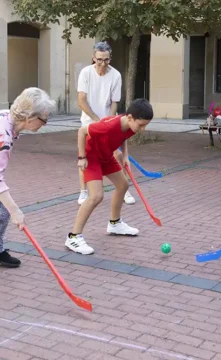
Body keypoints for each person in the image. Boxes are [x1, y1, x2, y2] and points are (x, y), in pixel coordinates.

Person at [65, 99, 154, 255]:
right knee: (96, 196)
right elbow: (82, 131)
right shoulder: (108, 125)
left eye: (145, 125)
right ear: (130, 117)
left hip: (106, 157)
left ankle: (115, 223)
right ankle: (73, 237)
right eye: (141, 125)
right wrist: (82, 157)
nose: (142, 129)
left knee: (123, 185)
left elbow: (124, 136)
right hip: (92, 157)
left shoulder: (131, 125)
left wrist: (125, 155)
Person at [0, 88, 56, 267]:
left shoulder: (8, 118)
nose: (44, 124)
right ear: (30, 117)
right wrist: (16, 211)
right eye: (43, 119)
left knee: (2, 211)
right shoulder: (4, 137)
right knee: (7, 209)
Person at [77, 41, 136, 206]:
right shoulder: (86, 73)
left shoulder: (116, 75)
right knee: (86, 155)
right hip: (90, 121)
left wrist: (109, 121)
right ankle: (83, 191)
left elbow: (114, 102)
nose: (103, 63)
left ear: (110, 58)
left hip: (109, 120)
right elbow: (81, 101)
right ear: (93, 58)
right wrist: (98, 121)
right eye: (99, 59)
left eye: (106, 60)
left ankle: (123, 189)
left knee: (117, 155)